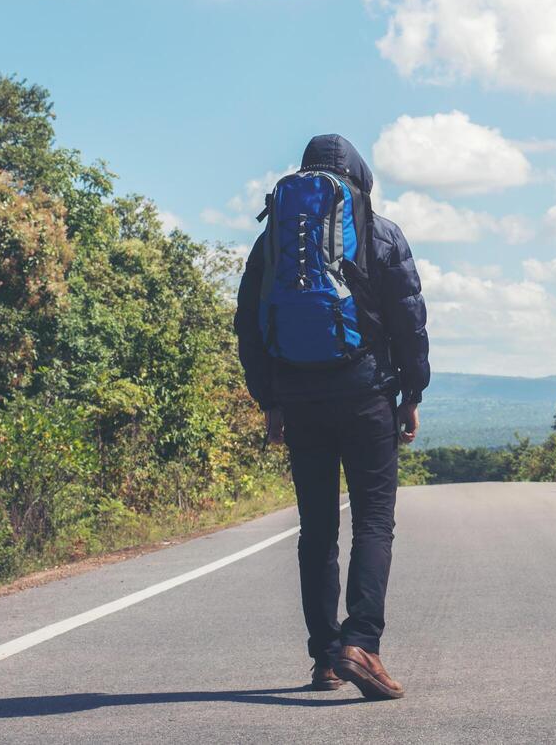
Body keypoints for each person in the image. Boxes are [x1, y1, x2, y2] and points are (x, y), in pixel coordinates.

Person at [235, 133, 429, 701]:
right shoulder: (379, 231)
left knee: (317, 527)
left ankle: (325, 656)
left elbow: (250, 325)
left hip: (299, 397)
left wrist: (270, 400)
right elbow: (409, 318)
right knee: (373, 521)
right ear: (359, 175)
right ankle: (361, 642)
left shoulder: (272, 237)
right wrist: (411, 394)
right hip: (366, 393)